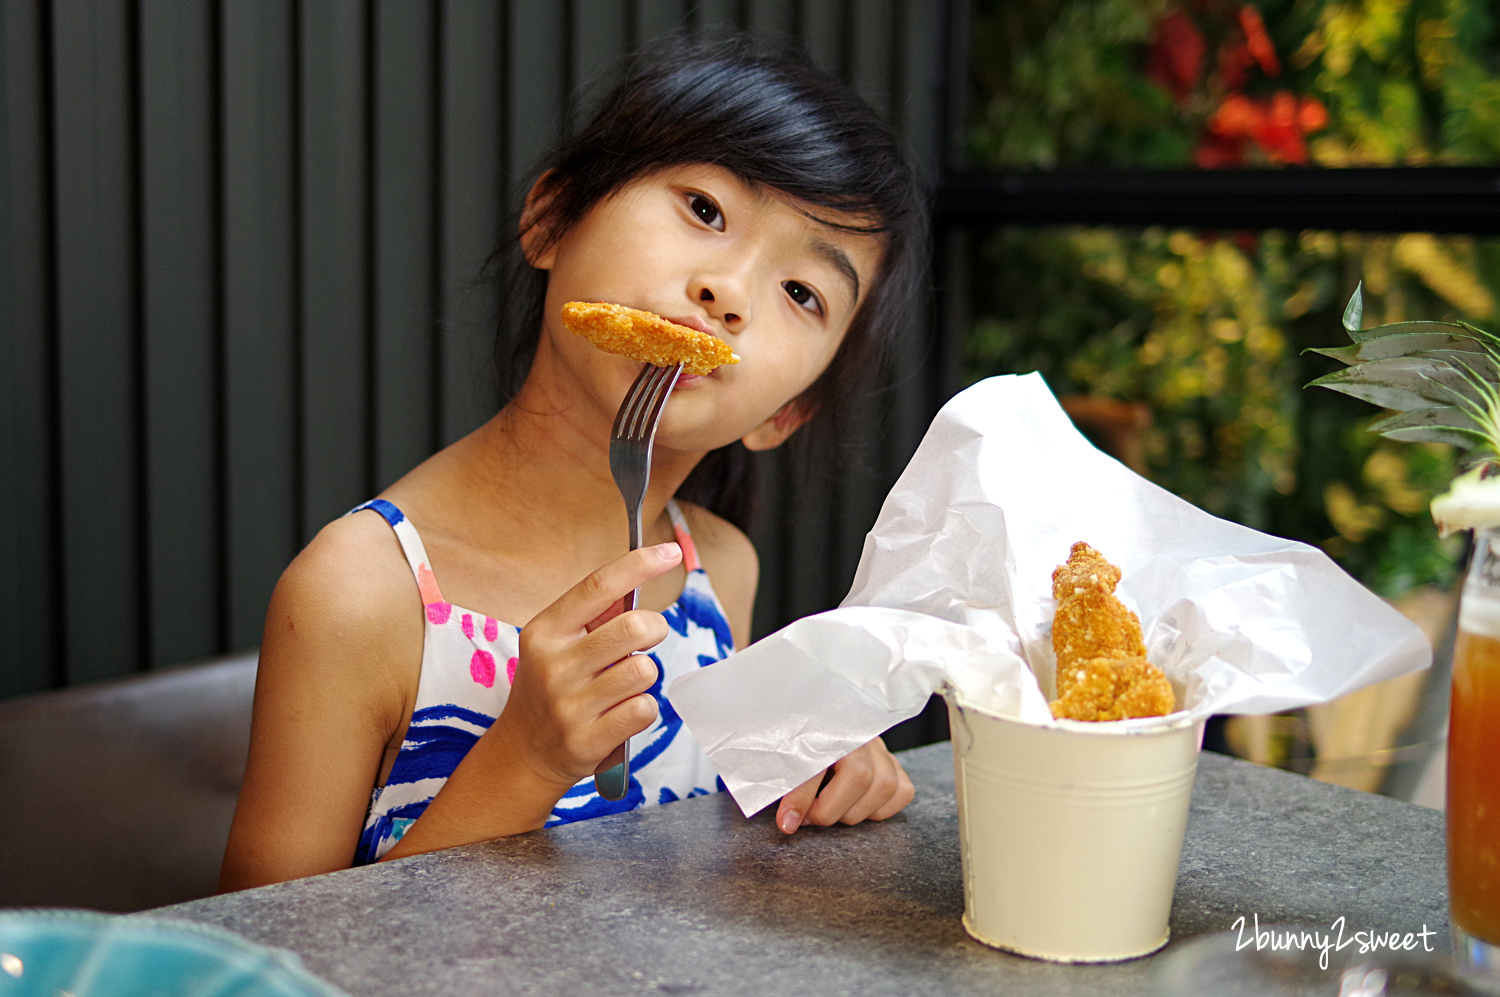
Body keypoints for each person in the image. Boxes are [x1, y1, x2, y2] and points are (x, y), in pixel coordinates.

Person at [219, 37, 927, 892]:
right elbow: (271, 958)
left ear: (785, 414)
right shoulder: (360, 594)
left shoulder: (719, 576)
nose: (728, 291)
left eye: (802, 292)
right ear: (551, 218)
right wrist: (522, 760)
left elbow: (682, 863)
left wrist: (813, 772)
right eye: (704, 208)